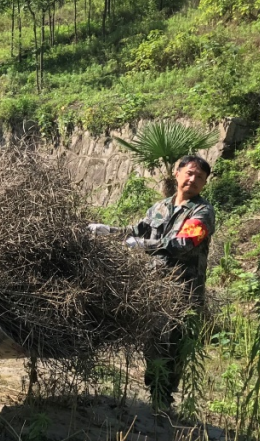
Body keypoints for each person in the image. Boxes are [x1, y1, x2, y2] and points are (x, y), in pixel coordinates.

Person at [92, 154, 215, 412]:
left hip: (183, 292)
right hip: (156, 287)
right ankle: (155, 398)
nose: (192, 179)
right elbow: (136, 231)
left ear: (204, 184)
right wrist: (108, 232)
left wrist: (145, 245)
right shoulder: (159, 208)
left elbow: (184, 244)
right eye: (189, 173)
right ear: (177, 172)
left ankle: (163, 403)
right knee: (154, 344)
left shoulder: (202, 212)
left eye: (200, 177)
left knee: (173, 348)